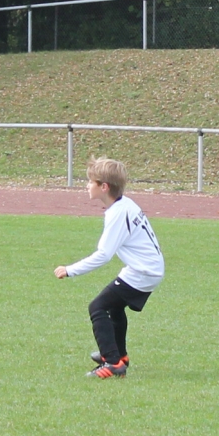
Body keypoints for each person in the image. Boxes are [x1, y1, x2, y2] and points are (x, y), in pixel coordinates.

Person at [54, 157, 164, 379]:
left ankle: (112, 363)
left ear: (104, 187)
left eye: (90, 181)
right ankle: (120, 355)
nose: (87, 185)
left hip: (143, 272)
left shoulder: (118, 214)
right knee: (114, 308)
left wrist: (70, 269)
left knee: (97, 307)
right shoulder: (125, 204)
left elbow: (104, 255)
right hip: (148, 268)